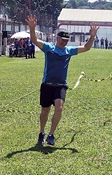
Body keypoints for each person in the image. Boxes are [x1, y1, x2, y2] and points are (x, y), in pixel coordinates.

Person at [27, 15, 98, 147]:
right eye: (62, 39)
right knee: (45, 111)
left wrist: (92, 36)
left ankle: (51, 135)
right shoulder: (49, 48)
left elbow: (86, 48)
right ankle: (41, 132)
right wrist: (32, 28)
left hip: (60, 86)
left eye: (66, 40)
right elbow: (35, 40)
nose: (64, 42)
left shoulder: (68, 51)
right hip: (47, 84)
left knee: (59, 108)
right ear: (57, 38)